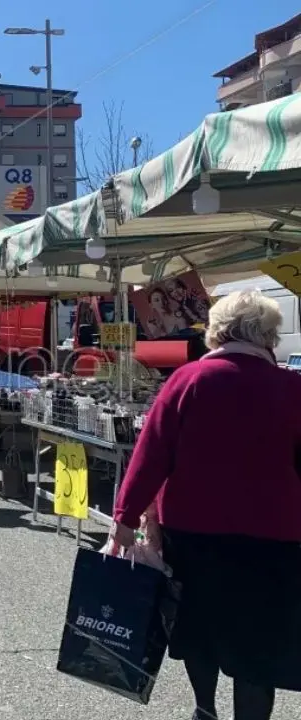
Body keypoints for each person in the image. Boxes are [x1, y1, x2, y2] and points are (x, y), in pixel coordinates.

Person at [112, 290, 301, 720]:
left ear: (217, 332)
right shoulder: (292, 388)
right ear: (269, 337)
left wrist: (125, 518)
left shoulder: (188, 380)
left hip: (194, 532)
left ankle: (205, 710)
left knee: (200, 630)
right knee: (259, 646)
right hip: (273, 539)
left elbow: (152, 453)